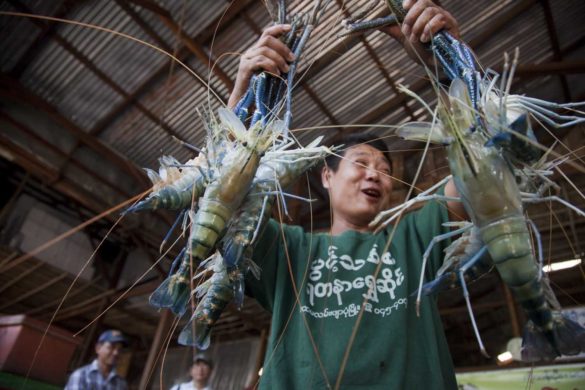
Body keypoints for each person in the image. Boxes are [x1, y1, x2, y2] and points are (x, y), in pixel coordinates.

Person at [228, 0, 467, 389]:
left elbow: (478, 172)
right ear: (326, 175)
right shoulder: (290, 251)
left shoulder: (414, 239)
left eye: (386, 172)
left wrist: (448, 62)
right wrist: (244, 94)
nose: (376, 175)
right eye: (362, 163)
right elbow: (221, 205)